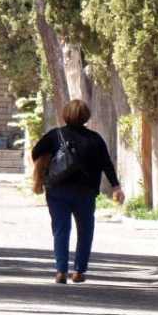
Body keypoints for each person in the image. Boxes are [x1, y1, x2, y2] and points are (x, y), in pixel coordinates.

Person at [31, 99, 124, 284]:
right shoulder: (95, 139)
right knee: (85, 230)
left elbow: (36, 152)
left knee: (61, 230)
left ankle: (61, 271)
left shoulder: (55, 136)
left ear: (65, 114)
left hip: (58, 190)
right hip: (85, 192)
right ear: (86, 117)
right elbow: (107, 164)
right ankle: (80, 271)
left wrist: (49, 165)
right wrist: (116, 186)